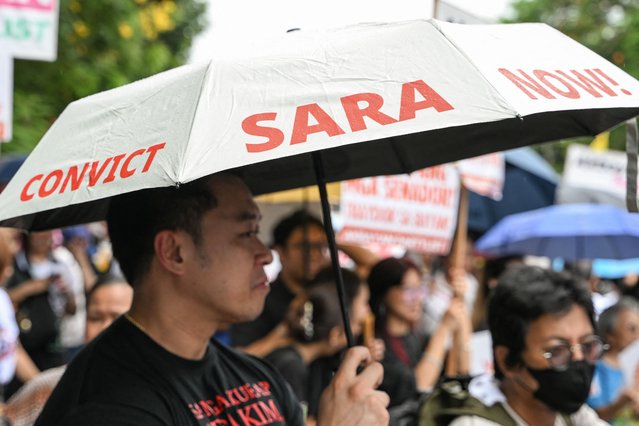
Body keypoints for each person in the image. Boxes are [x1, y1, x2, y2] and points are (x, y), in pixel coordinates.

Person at [36, 172, 389, 425]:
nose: (264, 253)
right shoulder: (109, 405)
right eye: (247, 232)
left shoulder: (256, 375)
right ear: (175, 252)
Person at [422, 265, 608, 425]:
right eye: (557, 351)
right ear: (508, 361)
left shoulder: (572, 416)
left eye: (587, 345)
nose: (578, 359)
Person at [5, 273, 134, 425]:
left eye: (117, 319)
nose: (105, 328)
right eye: (95, 318)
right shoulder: (47, 390)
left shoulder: (156, 396)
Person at [368, 257, 472, 408]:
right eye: (408, 289)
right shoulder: (374, 346)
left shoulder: (420, 338)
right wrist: (443, 328)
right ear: (384, 292)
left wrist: (461, 302)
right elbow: (420, 385)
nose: (417, 298)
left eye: (420, 289)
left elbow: (463, 371)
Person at [230, 209, 330, 357]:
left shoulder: (328, 295)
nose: (315, 254)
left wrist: (336, 245)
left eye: (321, 246)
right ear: (281, 251)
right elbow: (240, 358)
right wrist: (283, 332)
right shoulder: (261, 299)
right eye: (305, 247)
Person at [587, 297, 639, 423]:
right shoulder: (596, 369)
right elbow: (595, 415)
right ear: (610, 335)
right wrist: (621, 403)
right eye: (631, 329)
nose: (637, 335)